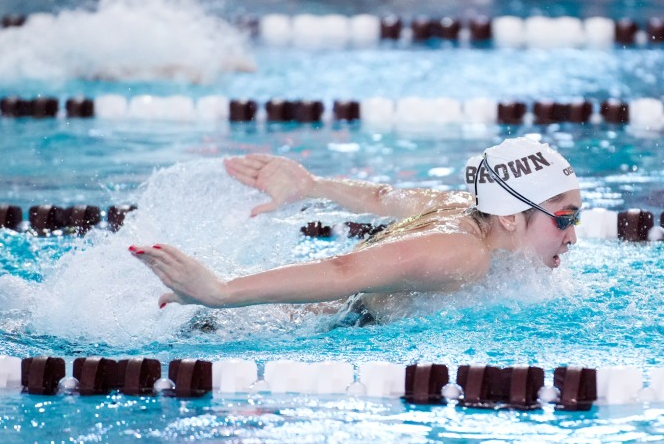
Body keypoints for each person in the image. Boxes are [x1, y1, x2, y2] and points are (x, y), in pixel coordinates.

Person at [130, 136, 582, 323]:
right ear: (508, 216)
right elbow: (345, 270)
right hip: (273, 323)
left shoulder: (460, 206)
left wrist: (312, 185)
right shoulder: (463, 256)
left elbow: (382, 197)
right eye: (564, 218)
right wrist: (222, 291)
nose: (574, 235)